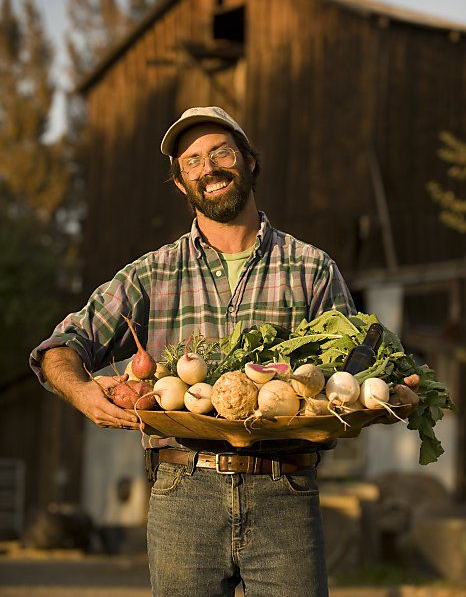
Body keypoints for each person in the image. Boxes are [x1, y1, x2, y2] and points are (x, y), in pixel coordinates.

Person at [30, 106, 419, 597]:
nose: (208, 168)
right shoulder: (151, 273)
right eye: (191, 161)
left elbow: (362, 366)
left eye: (220, 152)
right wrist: (82, 391)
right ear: (180, 184)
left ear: (250, 162)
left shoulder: (311, 268)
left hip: (287, 492)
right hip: (182, 492)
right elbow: (58, 346)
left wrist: (392, 392)